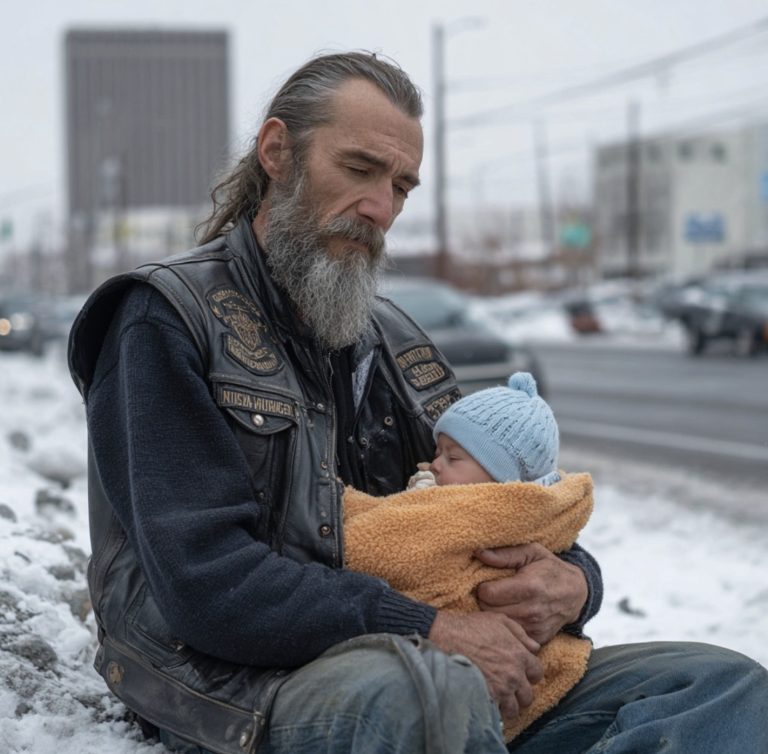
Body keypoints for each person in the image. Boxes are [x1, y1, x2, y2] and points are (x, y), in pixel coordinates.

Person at [67, 51, 768, 754]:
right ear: (278, 151)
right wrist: (425, 627)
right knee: (432, 694)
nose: (381, 208)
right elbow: (207, 584)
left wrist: (576, 583)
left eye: (402, 185)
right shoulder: (162, 318)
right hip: (241, 686)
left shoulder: (394, 338)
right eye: (361, 169)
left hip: (438, 666)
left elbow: (491, 504)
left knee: (721, 685)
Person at [343, 372, 594, 742]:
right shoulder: (492, 499)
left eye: (453, 457)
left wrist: (584, 585)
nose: (434, 466)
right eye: (436, 453)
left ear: (504, 481)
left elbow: (370, 548)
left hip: (504, 675)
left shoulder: (485, 513)